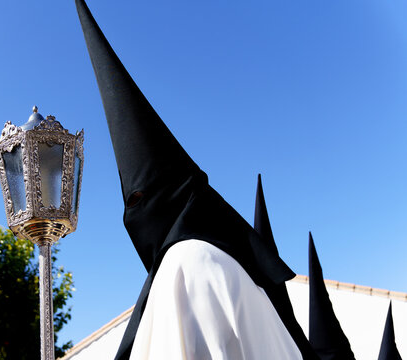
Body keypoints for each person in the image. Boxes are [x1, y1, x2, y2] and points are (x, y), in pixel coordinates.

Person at [75, 1, 317, 358]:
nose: (132, 218)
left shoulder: (188, 262)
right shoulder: (214, 263)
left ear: (176, 193)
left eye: (139, 199)